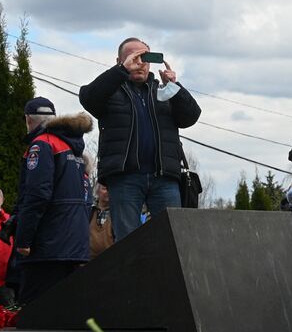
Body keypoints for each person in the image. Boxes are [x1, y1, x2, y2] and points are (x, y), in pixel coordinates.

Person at [79, 38, 201, 241]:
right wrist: (120, 72)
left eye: (145, 57)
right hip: (125, 177)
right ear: (120, 60)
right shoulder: (111, 91)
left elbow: (191, 116)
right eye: (133, 57)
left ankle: (165, 274)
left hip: (164, 177)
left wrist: (174, 86)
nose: (140, 63)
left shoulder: (163, 92)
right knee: (127, 241)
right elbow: (88, 97)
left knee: (172, 239)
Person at [14, 98, 93, 304]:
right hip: (75, 245)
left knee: (34, 313)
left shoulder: (42, 144)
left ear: (28, 119)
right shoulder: (75, 149)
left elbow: (37, 194)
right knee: (63, 314)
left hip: (48, 246)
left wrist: (23, 238)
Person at [88, 181, 114, 258]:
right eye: (104, 189)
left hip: (110, 261)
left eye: (110, 189)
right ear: (97, 191)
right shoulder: (90, 211)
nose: (108, 192)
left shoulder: (117, 213)